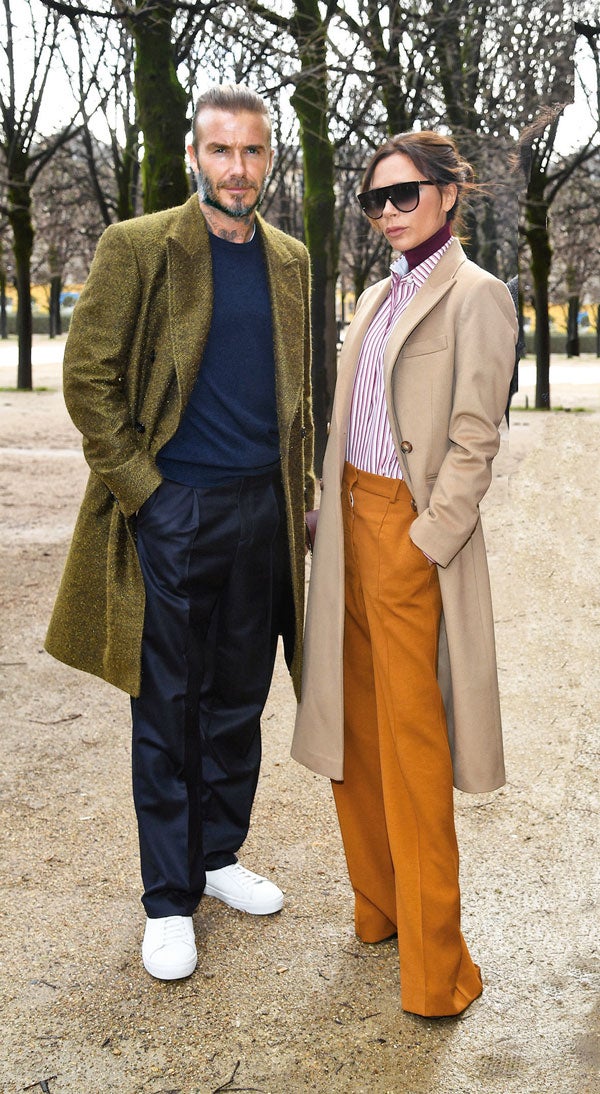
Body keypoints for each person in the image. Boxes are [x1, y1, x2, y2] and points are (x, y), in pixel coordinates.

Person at [45, 84, 314, 982]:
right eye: (222, 151)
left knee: (239, 699)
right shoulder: (137, 246)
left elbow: (297, 399)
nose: (239, 169)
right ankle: (168, 898)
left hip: (262, 512)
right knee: (167, 705)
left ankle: (217, 855)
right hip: (175, 507)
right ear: (194, 156)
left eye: (254, 152)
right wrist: (148, 495)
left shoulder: (291, 259)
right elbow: (89, 381)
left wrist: (301, 493)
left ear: (269, 159)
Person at [292, 131, 517, 1018]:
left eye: (405, 194)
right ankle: (378, 910)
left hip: (409, 539)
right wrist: (324, 504)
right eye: (375, 199)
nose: (388, 212)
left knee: (414, 754)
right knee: (353, 739)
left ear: (449, 193)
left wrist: (428, 540)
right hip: (345, 530)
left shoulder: (478, 295)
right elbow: (356, 414)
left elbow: (475, 436)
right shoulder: (378, 296)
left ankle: (436, 971)